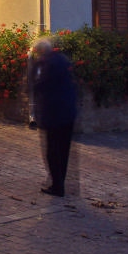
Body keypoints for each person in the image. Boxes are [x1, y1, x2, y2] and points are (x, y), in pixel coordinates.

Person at [29, 37, 78, 197]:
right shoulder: (62, 59)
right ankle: (60, 182)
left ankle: (57, 186)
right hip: (68, 111)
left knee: (53, 151)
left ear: (40, 51)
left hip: (54, 113)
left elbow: (39, 84)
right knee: (63, 150)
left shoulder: (45, 63)